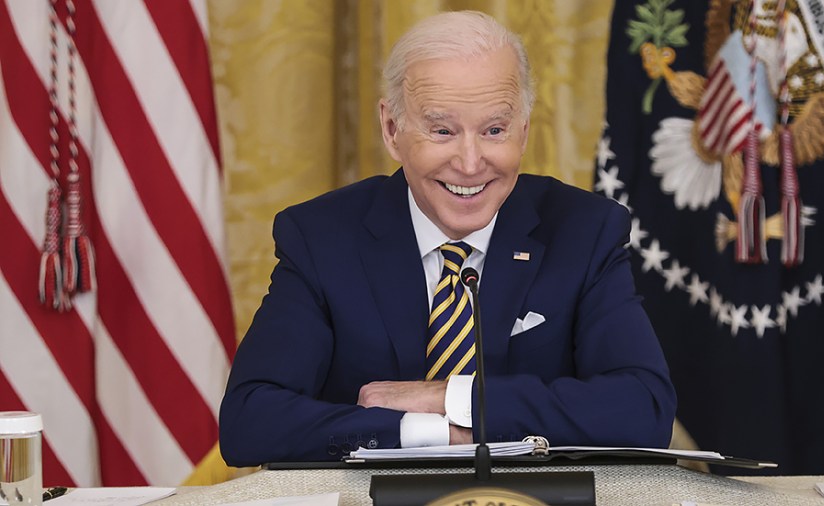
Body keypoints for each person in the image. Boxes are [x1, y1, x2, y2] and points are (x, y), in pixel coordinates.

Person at [219, 10, 676, 466]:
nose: (471, 163)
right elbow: (251, 421)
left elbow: (644, 409)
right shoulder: (321, 238)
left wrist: (451, 399)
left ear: (524, 129)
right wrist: (434, 435)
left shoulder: (585, 232)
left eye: (494, 130)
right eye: (442, 131)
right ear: (392, 129)